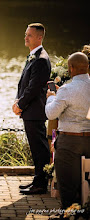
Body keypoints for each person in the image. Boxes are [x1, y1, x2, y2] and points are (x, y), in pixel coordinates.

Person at [45, 52, 90, 209]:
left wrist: (51, 97)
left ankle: (68, 213)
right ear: (88, 67)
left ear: (70, 68)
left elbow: (51, 113)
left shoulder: (67, 89)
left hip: (70, 142)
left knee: (68, 185)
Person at [13, 23, 51, 195]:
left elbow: (34, 88)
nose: (25, 37)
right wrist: (17, 100)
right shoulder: (32, 56)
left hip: (35, 111)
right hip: (30, 110)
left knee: (40, 148)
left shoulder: (41, 59)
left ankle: (41, 184)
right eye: (25, 34)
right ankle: (37, 179)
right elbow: (23, 83)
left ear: (39, 37)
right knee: (35, 148)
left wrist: (20, 104)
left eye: (29, 35)